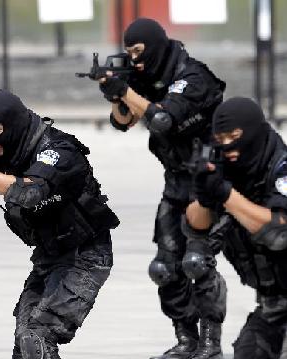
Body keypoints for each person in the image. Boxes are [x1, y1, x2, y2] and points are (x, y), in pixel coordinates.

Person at [0, 89, 119, 359]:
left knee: (38, 336)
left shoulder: (57, 149)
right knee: (25, 346)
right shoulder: (3, 156)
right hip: (49, 256)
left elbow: (30, 193)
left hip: (85, 255)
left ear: (14, 123)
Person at [97, 18, 227, 359]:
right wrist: (116, 93)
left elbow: (163, 119)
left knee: (197, 262)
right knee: (164, 267)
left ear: (154, 47)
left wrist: (125, 91)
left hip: (209, 183)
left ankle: (211, 343)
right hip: (175, 183)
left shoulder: (193, 77)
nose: (135, 60)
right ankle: (186, 340)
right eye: (129, 54)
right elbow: (122, 123)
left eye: (138, 53)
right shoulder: (145, 77)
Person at [186, 97, 287, 359]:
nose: (228, 145)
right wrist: (204, 195)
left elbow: (279, 234)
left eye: (235, 136)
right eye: (222, 137)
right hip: (275, 306)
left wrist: (225, 194)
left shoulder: (280, 168)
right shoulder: (226, 164)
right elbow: (196, 230)